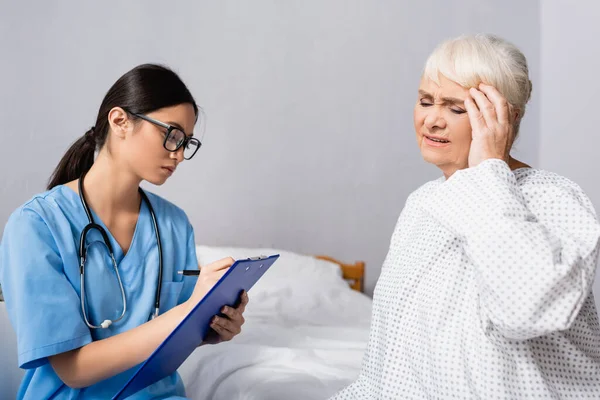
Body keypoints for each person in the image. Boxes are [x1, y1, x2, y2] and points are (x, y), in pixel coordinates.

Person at [331, 33, 600, 399]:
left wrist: (488, 169)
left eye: (457, 109)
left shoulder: (553, 198)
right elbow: (391, 358)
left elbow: (526, 310)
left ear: (507, 117)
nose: (432, 121)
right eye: (426, 101)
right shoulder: (422, 204)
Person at [0, 64, 248, 399]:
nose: (179, 154)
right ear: (120, 122)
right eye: (172, 134)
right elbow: (74, 370)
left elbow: (177, 332)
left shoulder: (174, 224)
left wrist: (213, 328)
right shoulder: (36, 225)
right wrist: (187, 312)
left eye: (186, 142)